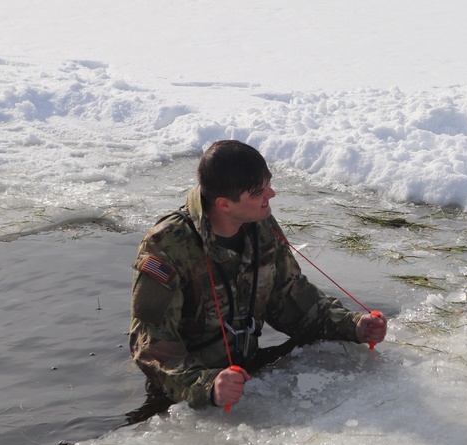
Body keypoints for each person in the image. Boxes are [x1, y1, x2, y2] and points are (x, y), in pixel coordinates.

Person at [129, 139, 387, 413]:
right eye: (258, 192)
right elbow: (149, 341)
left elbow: (291, 298)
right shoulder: (167, 245)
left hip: (247, 376)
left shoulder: (261, 226)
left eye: (268, 183)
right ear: (224, 204)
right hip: (184, 395)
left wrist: (353, 325)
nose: (271, 194)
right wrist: (206, 386)